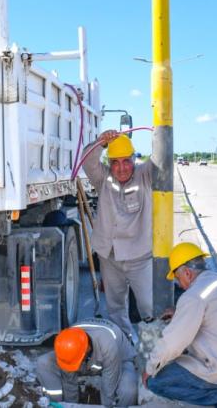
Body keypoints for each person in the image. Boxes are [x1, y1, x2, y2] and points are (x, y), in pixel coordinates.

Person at [143, 243, 217, 408]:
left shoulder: (193, 297)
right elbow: (214, 314)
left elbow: (172, 343)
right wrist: (180, 313)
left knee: (157, 381)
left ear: (188, 273)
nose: (180, 284)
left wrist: (149, 368)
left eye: (178, 278)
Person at [81, 130, 154, 340]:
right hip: (109, 255)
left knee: (148, 306)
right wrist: (100, 142)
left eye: (126, 161)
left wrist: (159, 130)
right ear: (110, 163)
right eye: (115, 162)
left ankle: (153, 352)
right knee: (115, 306)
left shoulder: (145, 175)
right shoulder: (103, 178)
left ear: (134, 159)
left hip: (140, 256)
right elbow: (87, 161)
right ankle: (124, 346)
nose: (121, 168)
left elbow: (161, 158)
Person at [35, 318, 139, 407]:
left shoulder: (107, 345)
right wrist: (70, 405)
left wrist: (107, 406)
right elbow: (69, 382)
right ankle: (56, 404)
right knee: (44, 362)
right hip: (89, 360)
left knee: (128, 390)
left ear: (87, 349)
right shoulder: (69, 344)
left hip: (120, 360)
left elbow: (109, 388)